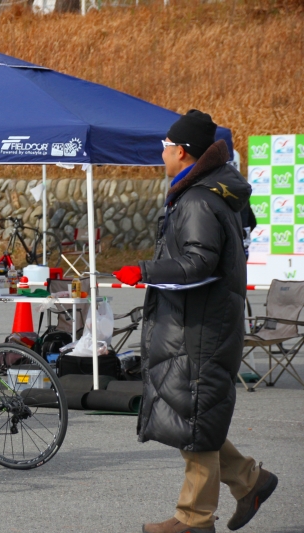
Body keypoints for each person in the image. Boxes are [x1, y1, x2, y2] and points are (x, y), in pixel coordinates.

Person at [113, 110, 277, 533]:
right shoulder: (206, 192)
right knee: (193, 413)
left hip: (200, 326)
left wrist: (144, 271)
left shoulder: (198, 199)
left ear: (182, 152)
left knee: (195, 417)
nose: (162, 154)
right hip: (200, 321)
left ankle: (195, 518)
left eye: (165, 147)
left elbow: (199, 263)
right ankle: (249, 481)